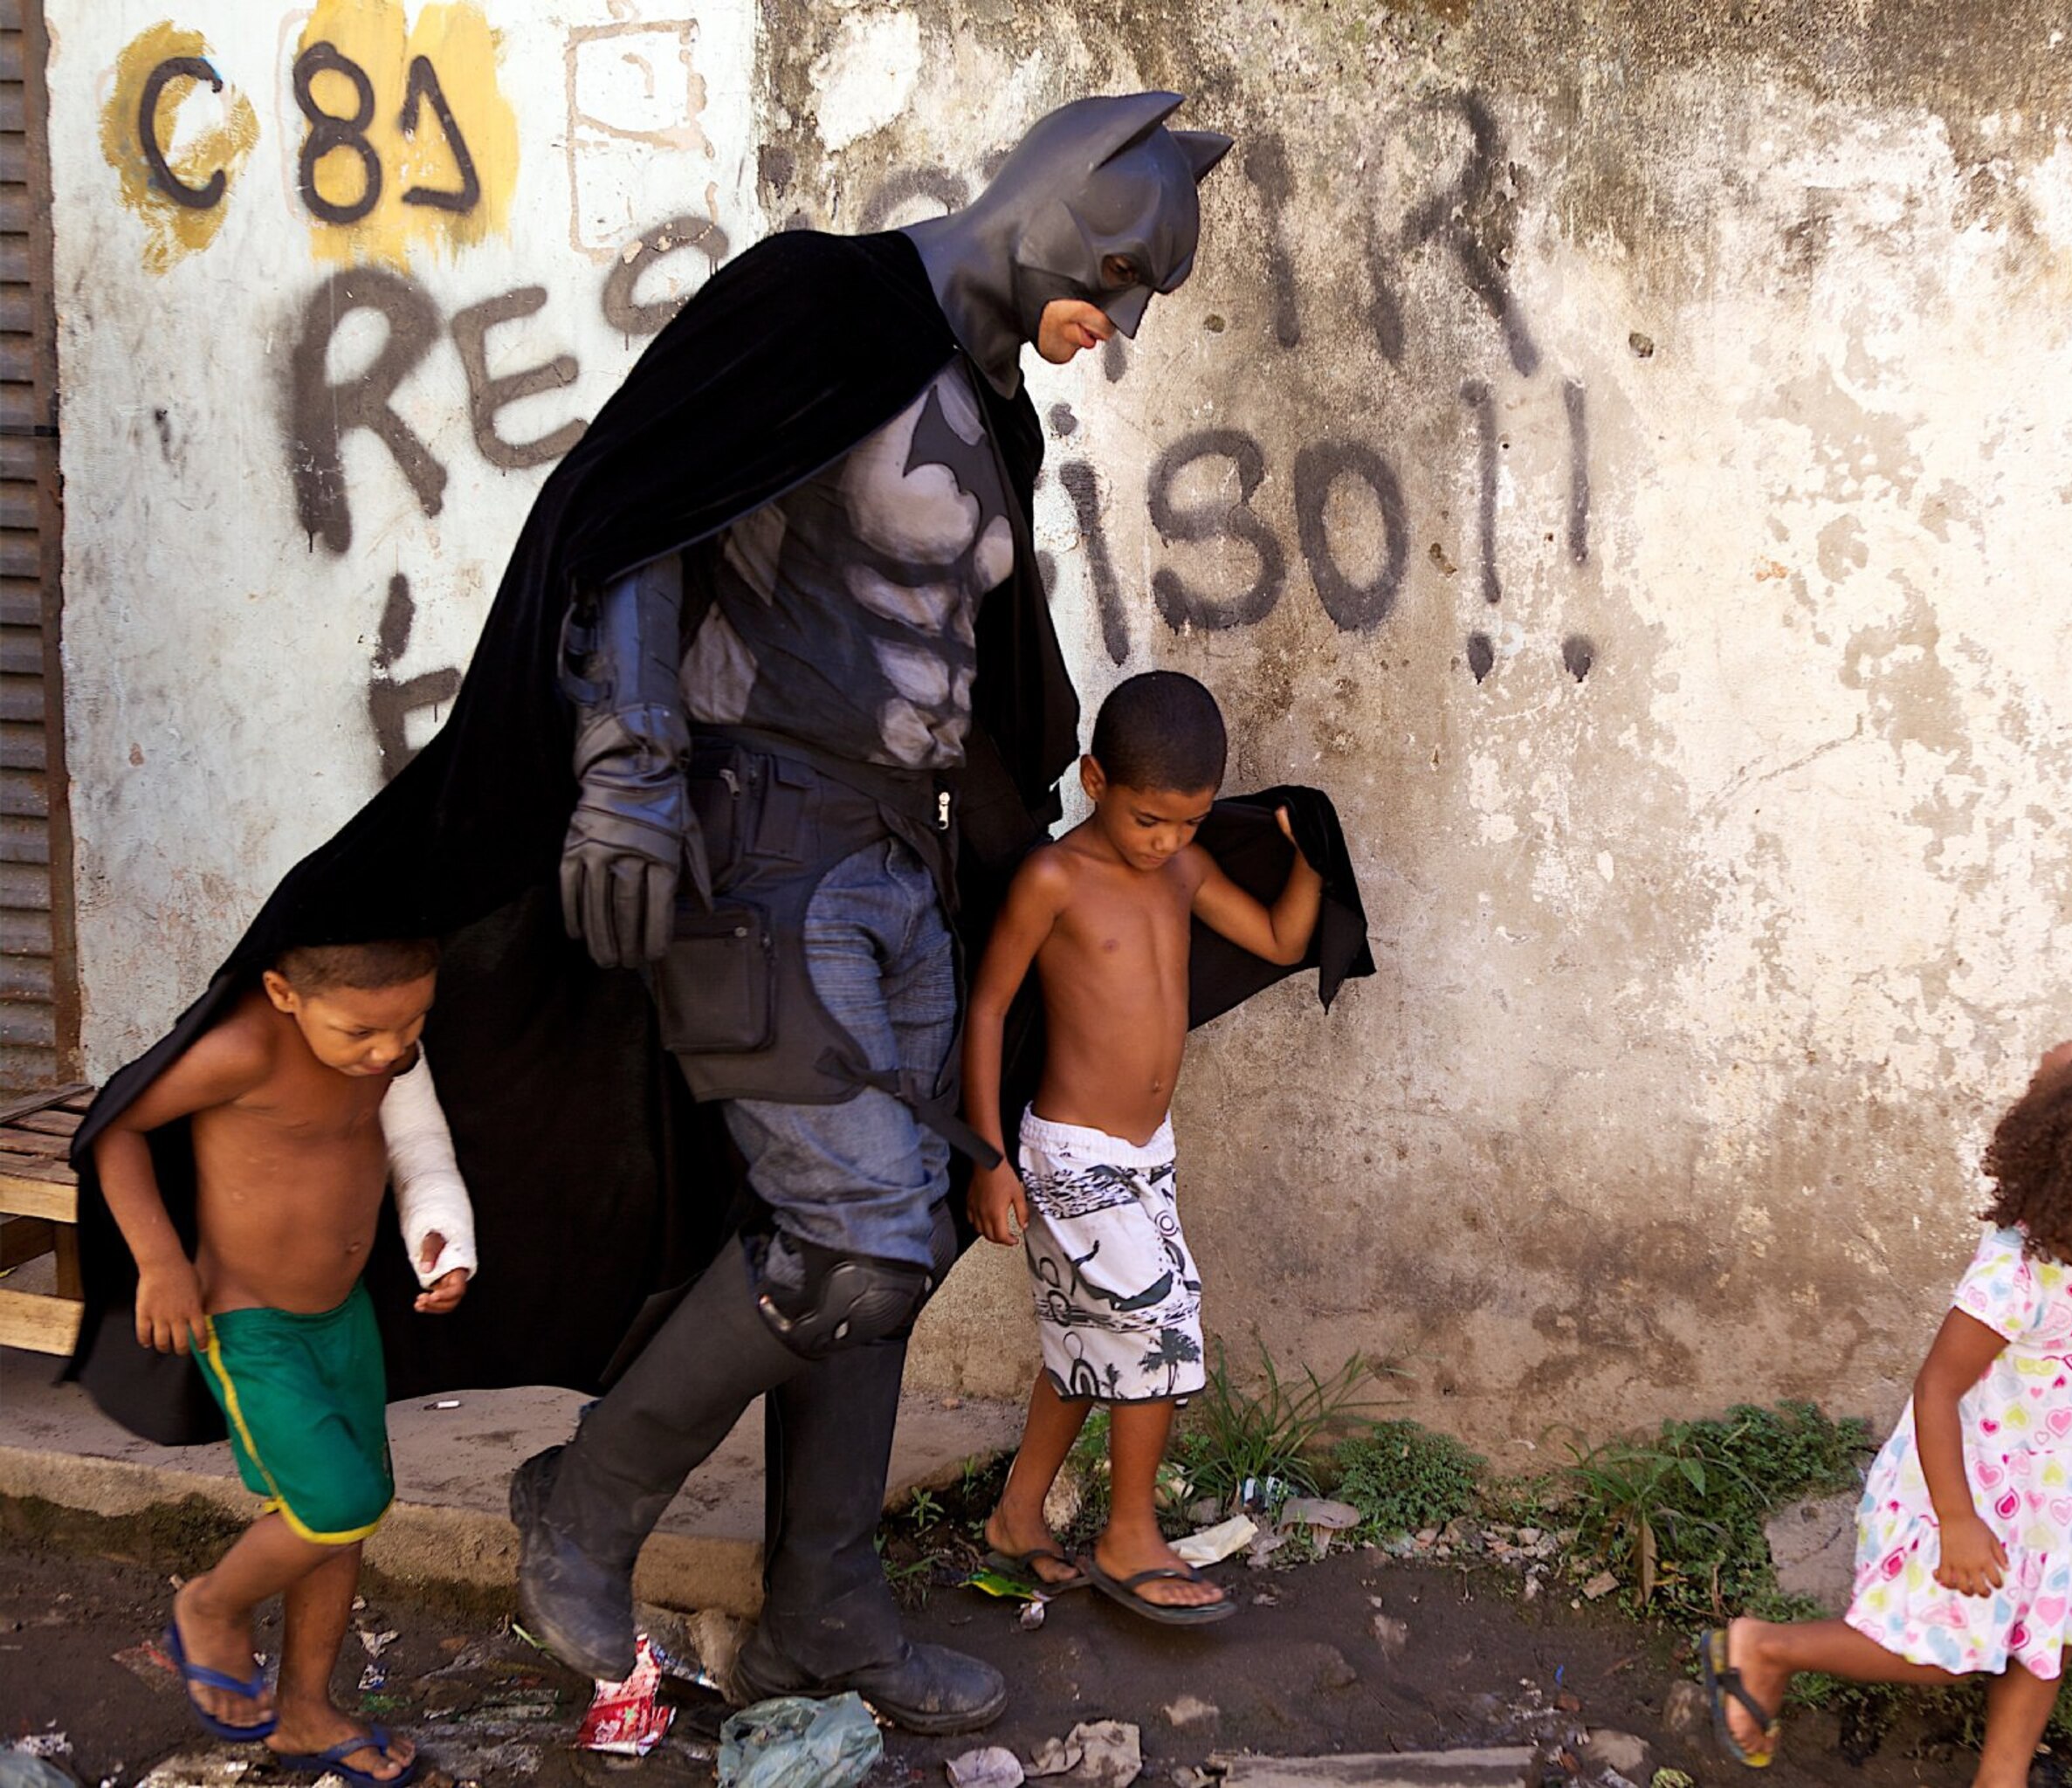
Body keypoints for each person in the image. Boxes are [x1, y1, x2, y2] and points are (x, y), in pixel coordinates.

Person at [502, 96, 1234, 1730]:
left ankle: (822, 1613)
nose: (1112, 323)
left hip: (896, 860)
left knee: (888, 1247)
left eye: (1140, 301)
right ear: (1046, 201)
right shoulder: (818, 306)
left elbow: (986, 673)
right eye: (1115, 275)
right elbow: (635, 520)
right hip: (749, 838)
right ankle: (587, 1502)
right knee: (849, 1229)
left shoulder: (991, 408)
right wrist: (623, 772)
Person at [1700, 1042, 2072, 1787]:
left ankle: (2002, 1776)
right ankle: (1767, 1648)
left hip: (2059, 1489)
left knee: (2045, 1630)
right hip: (1974, 1488)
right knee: (1936, 1658)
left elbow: (2063, 1099)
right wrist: (1958, 1520)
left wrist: (2061, 1078)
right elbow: (1935, 1390)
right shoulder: (2012, 1283)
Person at [961, 671, 1322, 1623]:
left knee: (1090, 1338)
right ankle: (1129, 1534)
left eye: (1190, 823)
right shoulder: (1055, 879)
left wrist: (1312, 858)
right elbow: (990, 1004)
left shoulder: (1184, 870)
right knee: (1159, 1321)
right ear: (1093, 780)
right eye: (1150, 820)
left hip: (1146, 1152)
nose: (1168, 842)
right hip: (1070, 1151)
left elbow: (1283, 940)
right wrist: (987, 1153)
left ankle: (1016, 1515)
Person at [93, 939, 474, 1788]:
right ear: (283, 992)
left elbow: (417, 1150)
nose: (391, 1047)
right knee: (341, 1503)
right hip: (250, 1324)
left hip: (344, 1319)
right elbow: (117, 1123)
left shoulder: (388, 1047)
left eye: (415, 1019)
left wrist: (439, 1240)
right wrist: (159, 1260)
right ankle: (210, 1604)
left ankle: (306, 1709)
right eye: (365, 1030)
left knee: (331, 1524)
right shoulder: (244, 1047)